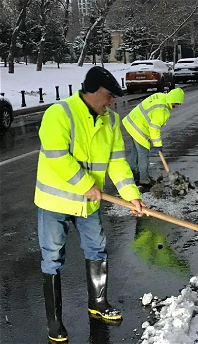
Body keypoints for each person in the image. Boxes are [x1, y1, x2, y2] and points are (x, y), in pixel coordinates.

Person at [34, 66, 146, 342]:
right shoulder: (59, 114)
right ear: (91, 91)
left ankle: (98, 304)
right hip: (55, 201)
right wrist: (86, 185)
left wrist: (130, 193)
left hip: (88, 204)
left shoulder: (111, 121)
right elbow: (57, 155)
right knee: (52, 258)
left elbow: (117, 162)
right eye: (108, 96)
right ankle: (55, 321)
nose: (112, 102)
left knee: (97, 249)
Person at [122, 88, 185, 186]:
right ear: (173, 100)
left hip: (131, 122)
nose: (177, 106)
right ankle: (143, 178)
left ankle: (133, 173)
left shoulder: (161, 96)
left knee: (136, 150)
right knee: (143, 153)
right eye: (177, 103)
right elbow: (154, 129)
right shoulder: (161, 111)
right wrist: (157, 145)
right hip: (139, 127)